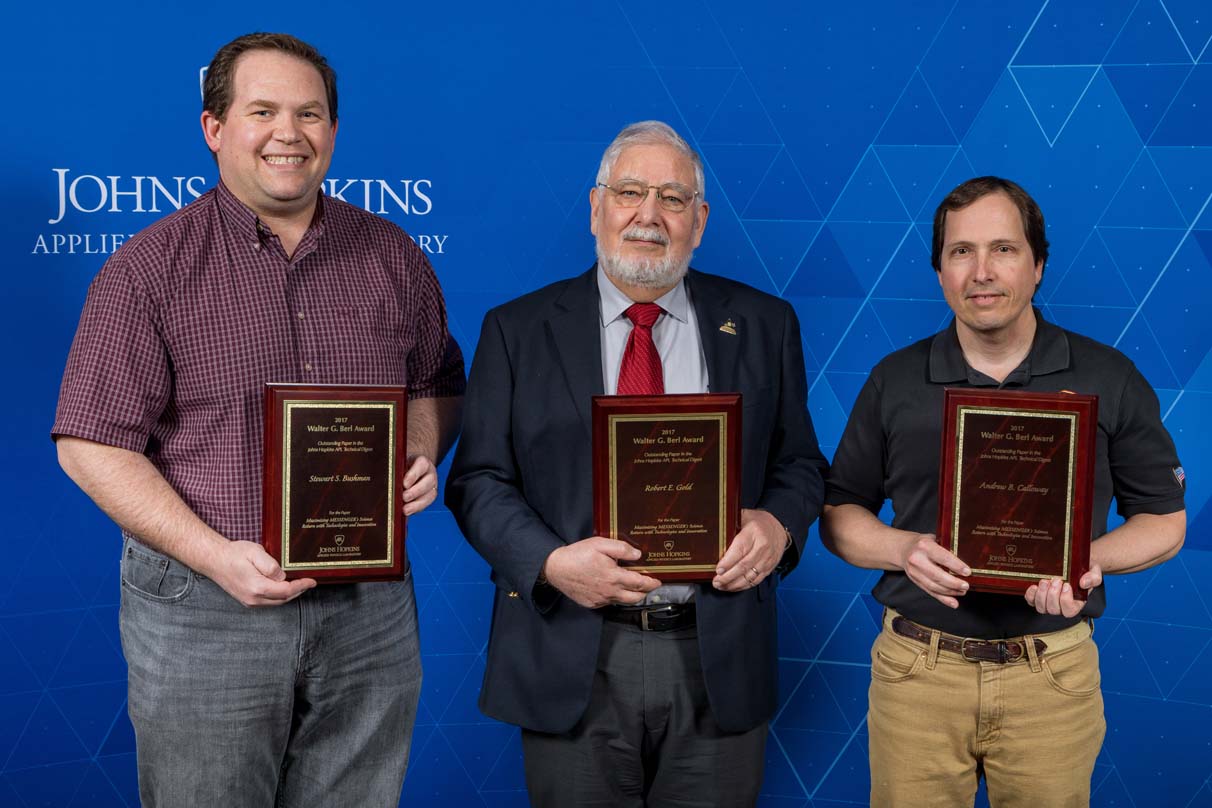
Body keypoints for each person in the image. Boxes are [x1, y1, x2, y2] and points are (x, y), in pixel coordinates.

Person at [52, 32, 464, 807]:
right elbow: (90, 444)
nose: (290, 133)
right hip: (206, 608)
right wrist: (214, 556)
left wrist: (417, 448)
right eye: (263, 110)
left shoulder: (393, 256)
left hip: (367, 609)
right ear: (215, 129)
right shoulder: (148, 270)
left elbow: (439, 380)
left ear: (333, 132)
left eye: (310, 114)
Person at [445, 120, 827, 807]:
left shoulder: (766, 324)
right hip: (572, 651)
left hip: (717, 653)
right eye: (630, 192)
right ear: (596, 207)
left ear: (700, 220)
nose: (649, 215)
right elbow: (478, 481)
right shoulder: (517, 329)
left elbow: (800, 464)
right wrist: (553, 564)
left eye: (673, 199)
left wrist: (776, 528)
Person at [821, 176, 1186, 807]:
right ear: (939, 269)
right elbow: (838, 513)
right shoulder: (895, 380)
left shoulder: (1110, 377)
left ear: (1039, 265)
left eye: (1004, 249)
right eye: (961, 251)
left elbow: (1165, 520)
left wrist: (1083, 564)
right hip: (918, 675)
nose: (981, 271)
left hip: (1052, 675)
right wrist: (903, 548)